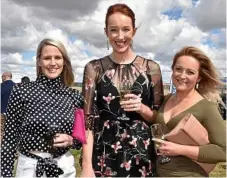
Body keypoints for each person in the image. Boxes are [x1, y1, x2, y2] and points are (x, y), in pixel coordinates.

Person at [81, 3, 163, 177]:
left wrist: (142, 109)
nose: (120, 36)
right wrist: (86, 166)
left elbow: (159, 119)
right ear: (106, 32)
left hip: (142, 153)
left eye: (126, 29)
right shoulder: (94, 68)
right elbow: (87, 121)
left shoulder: (152, 69)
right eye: (114, 30)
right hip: (105, 153)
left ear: (134, 31)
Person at [1, 38, 84, 178]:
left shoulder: (74, 96)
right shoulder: (21, 91)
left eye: (57, 57)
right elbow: (9, 138)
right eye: (47, 58)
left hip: (64, 167)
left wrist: (72, 140)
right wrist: (5, 174)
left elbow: (80, 136)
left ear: (64, 61)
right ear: (39, 61)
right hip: (29, 168)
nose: (52, 63)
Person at [153, 46, 226, 177]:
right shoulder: (166, 99)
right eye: (178, 69)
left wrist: (180, 149)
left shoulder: (206, 107)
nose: (182, 76)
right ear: (172, 71)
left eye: (190, 72)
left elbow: (223, 151)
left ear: (198, 78)